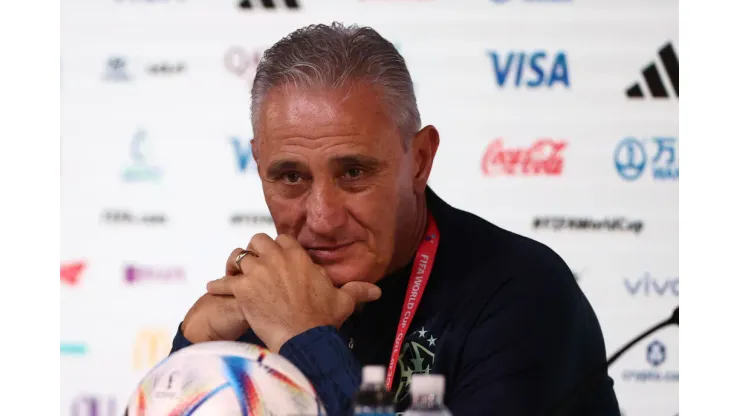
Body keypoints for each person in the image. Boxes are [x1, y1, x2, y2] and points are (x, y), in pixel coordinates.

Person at [169, 22, 620, 415]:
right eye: (290, 176)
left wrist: (304, 340)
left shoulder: (524, 294)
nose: (322, 218)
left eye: (354, 172)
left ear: (420, 160)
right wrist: (192, 350)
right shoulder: (262, 300)